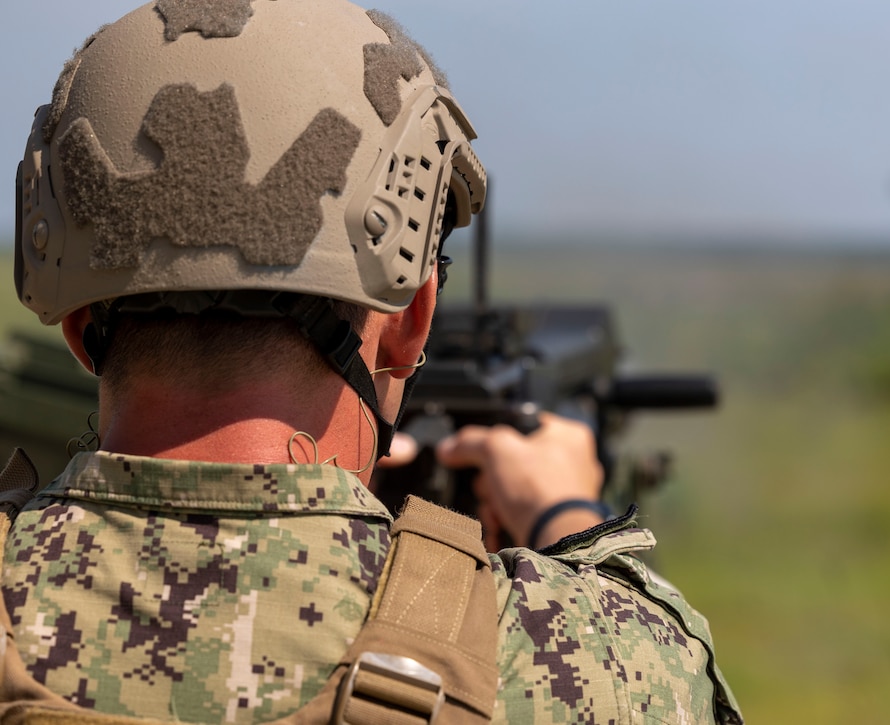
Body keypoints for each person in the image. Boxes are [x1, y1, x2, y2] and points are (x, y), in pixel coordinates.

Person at [2, 1, 743, 723]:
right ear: (408, 325)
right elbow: (653, 669)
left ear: (77, 326)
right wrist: (563, 513)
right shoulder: (600, 658)